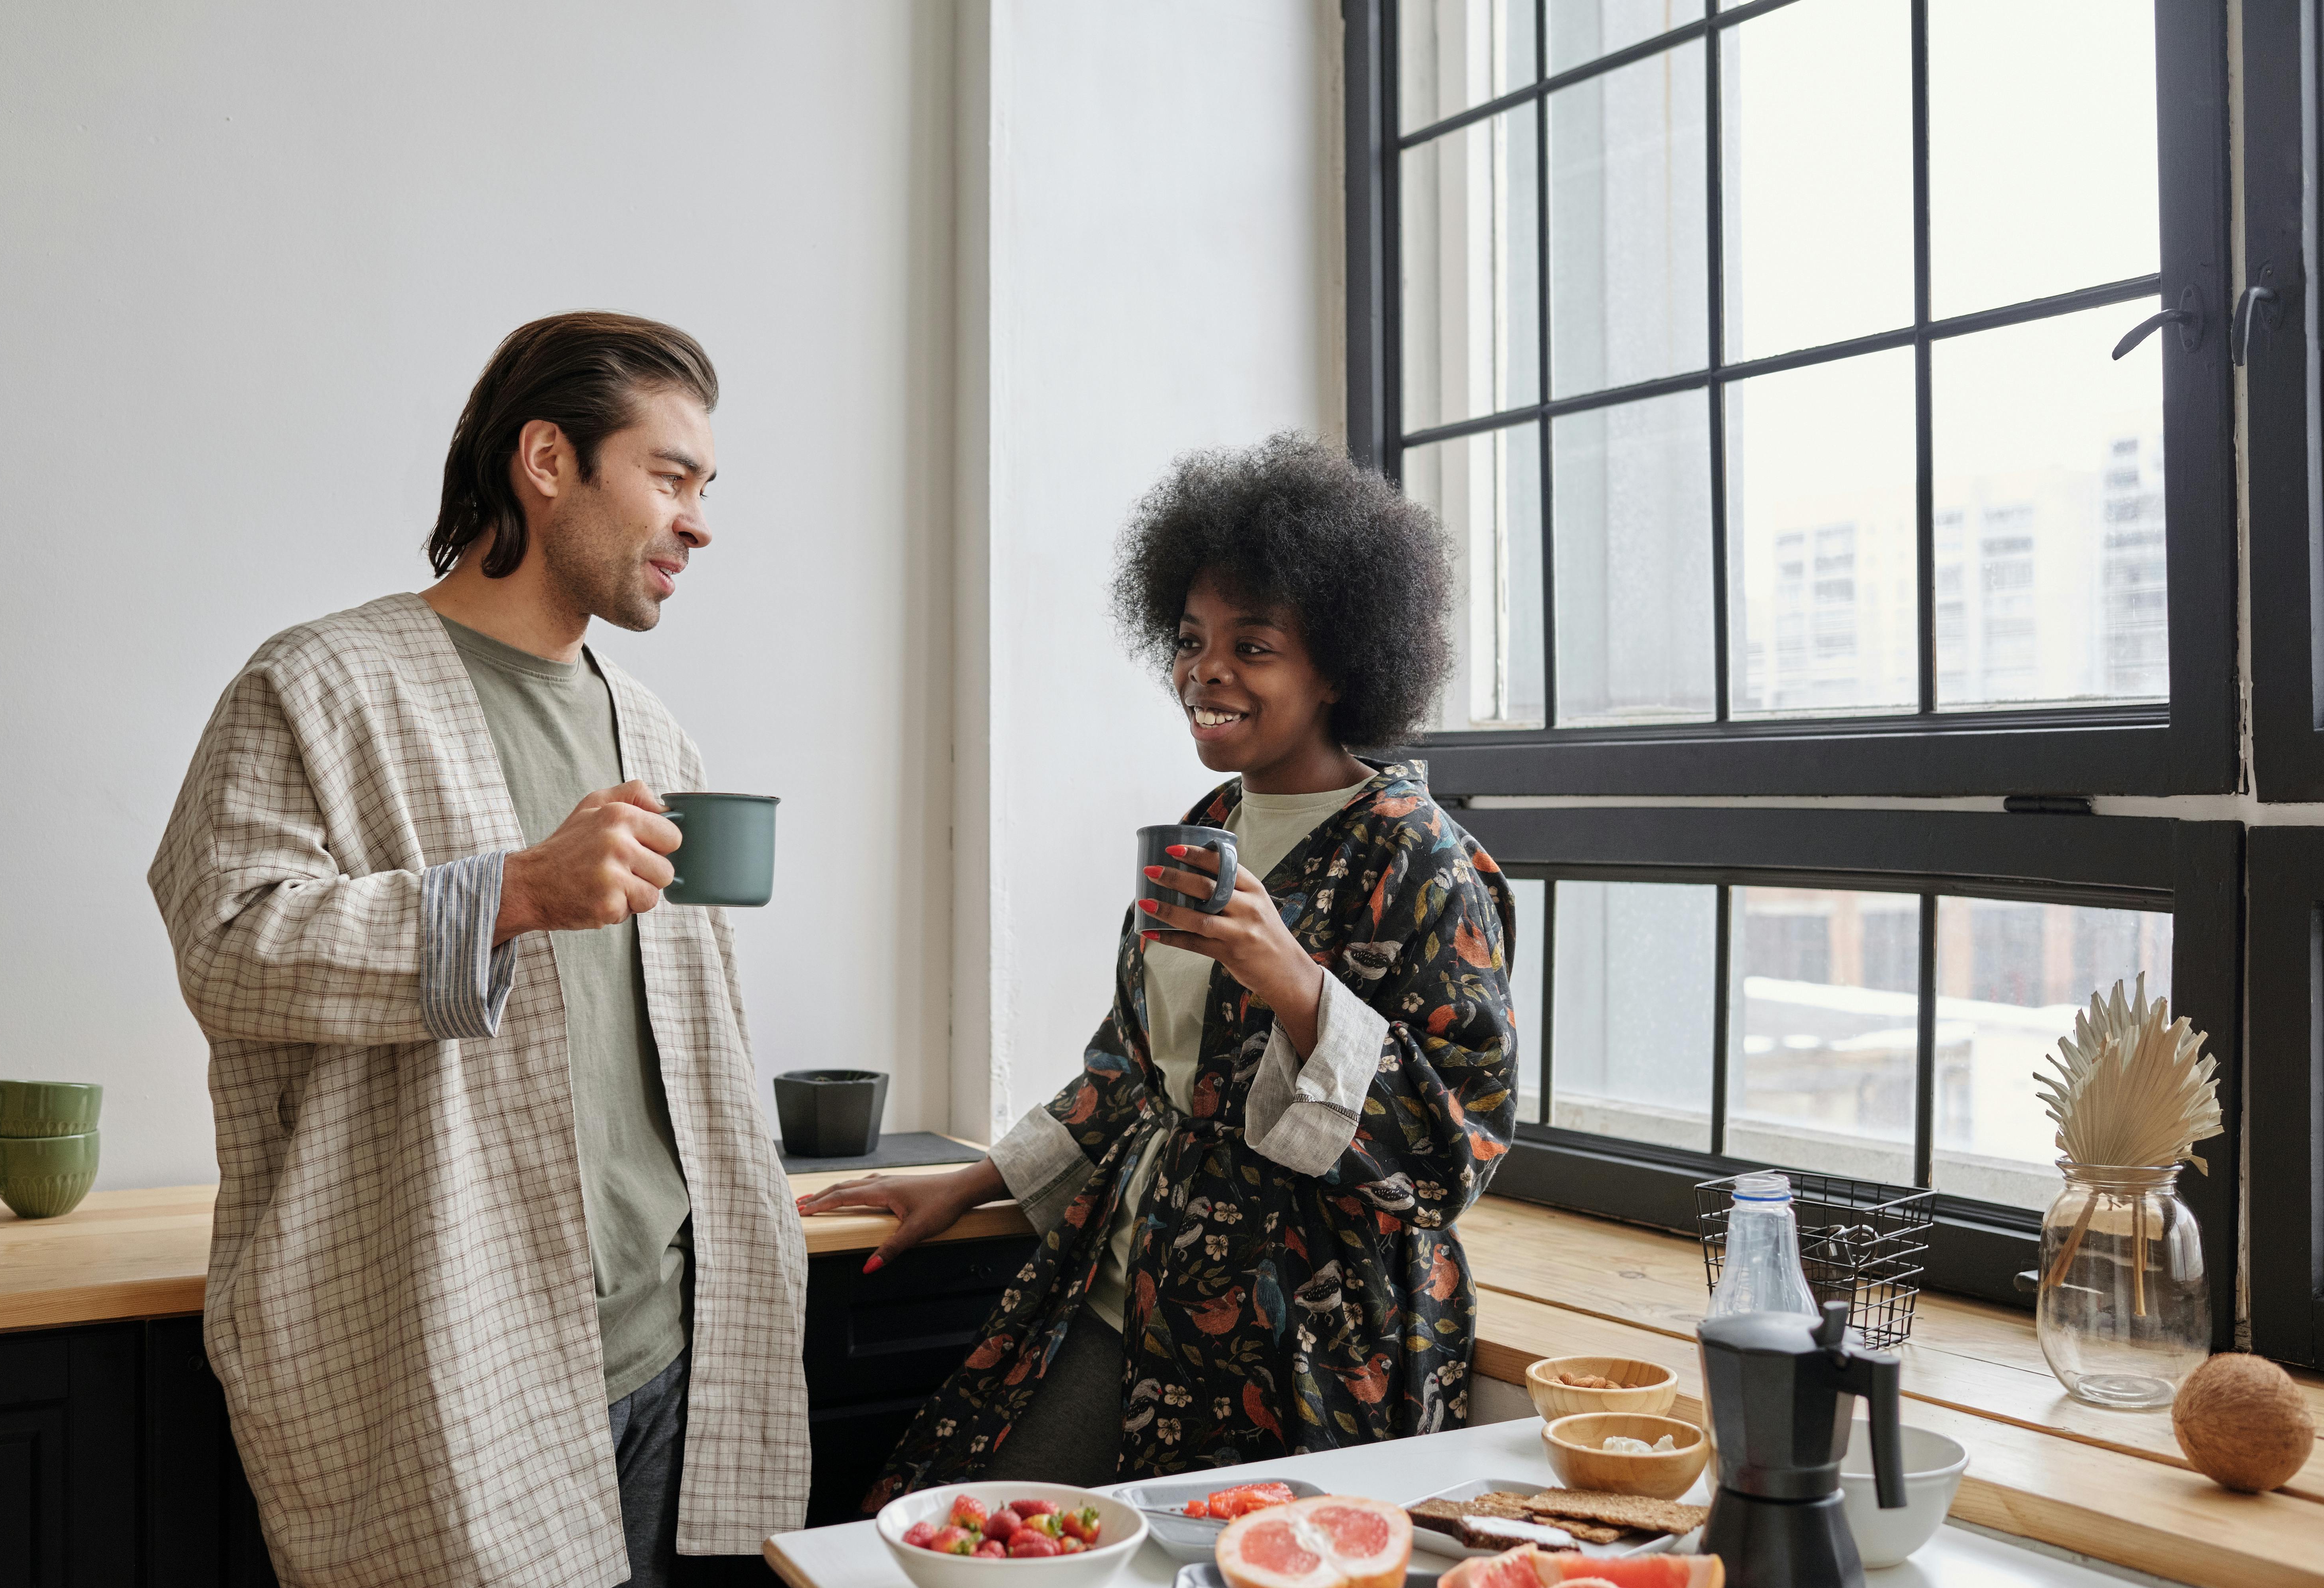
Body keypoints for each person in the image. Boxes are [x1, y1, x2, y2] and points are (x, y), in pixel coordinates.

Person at [149, 312, 806, 1588]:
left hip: (672, 1350)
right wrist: (508, 892)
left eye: (706, 488)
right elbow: (226, 945)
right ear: (548, 460)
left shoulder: (654, 734)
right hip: (457, 1360)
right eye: (670, 476)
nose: (701, 521)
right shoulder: (319, 686)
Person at [801, 434, 1517, 1494]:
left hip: (1314, 1337)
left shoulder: (1418, 854)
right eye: (1191, 639)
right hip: (1134, 1280)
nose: (1205, 671)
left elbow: (1459, 1151)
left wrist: (1298, 985)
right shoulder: (1208, 824)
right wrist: (966, 1184)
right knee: (951, 1522)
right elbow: (1133, 1071)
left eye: (1254, 644)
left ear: (1338, 666)